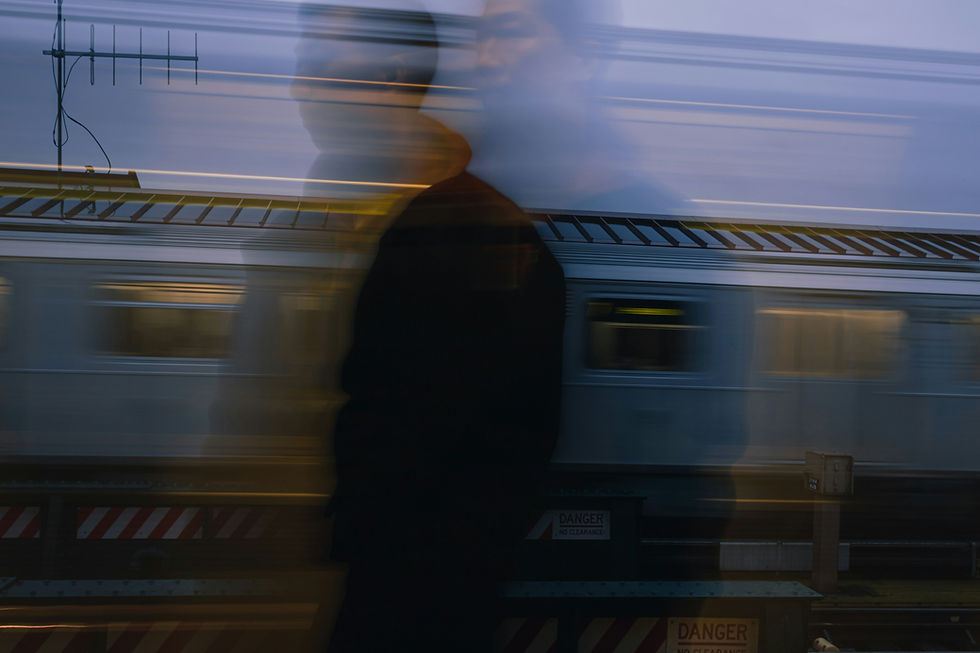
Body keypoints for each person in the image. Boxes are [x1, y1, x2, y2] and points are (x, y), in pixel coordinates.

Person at [320, 4, 566, 652]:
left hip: (413, 582)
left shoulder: (466, 231)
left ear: (393, 78)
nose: (301, 87)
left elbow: (432, 422)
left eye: (324, 67)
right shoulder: (385, 212)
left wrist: (368, 534)